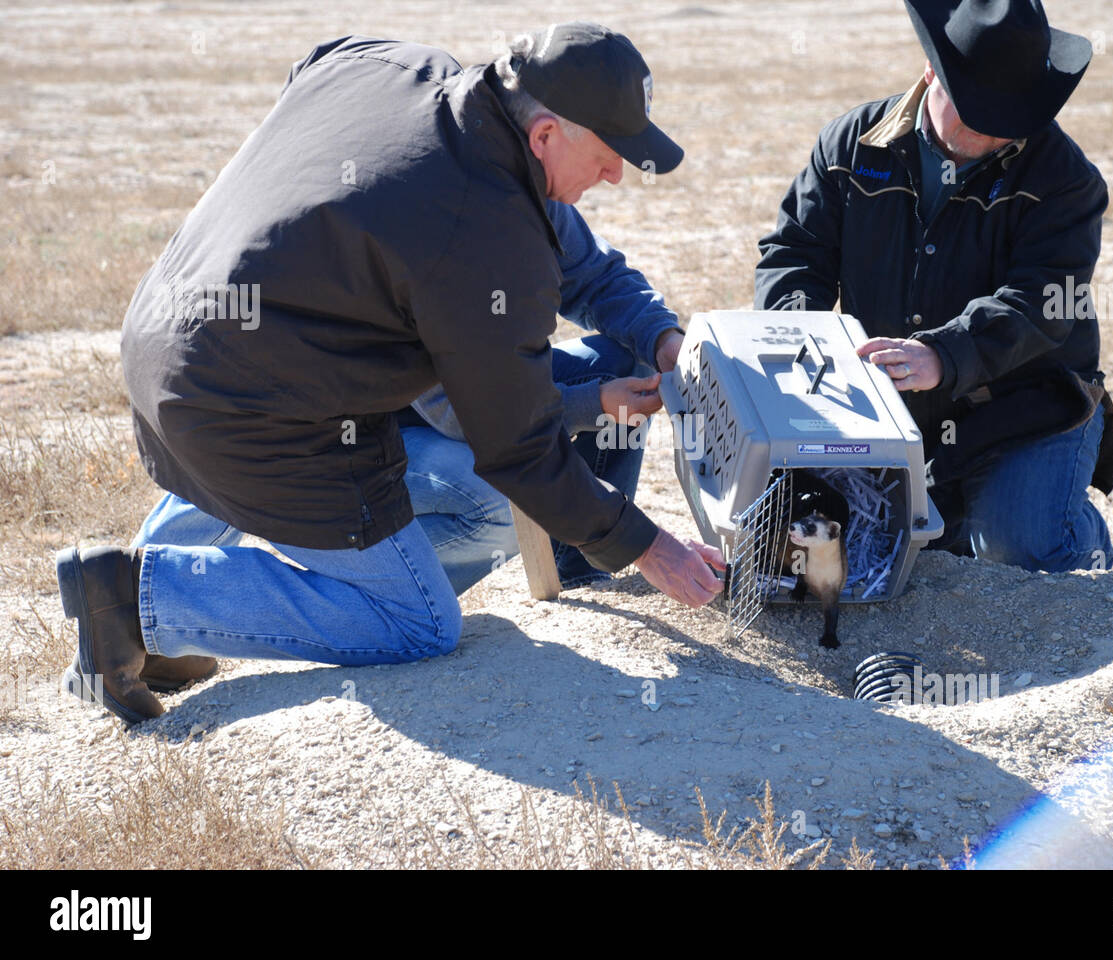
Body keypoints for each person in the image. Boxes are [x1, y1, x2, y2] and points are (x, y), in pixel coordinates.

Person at [56, 23, 722, 726]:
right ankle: (137, 603)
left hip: (163, 337)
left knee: (267, 380)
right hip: (249, 410)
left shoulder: (396, 68)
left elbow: (318, 64)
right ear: (547, 135)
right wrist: (649, 546)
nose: (619, 173)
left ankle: (157, 615)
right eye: (610, 154)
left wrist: (664, 339)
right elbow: (516, 446)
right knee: (419, 621)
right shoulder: (485, 238)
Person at [754, 0, 1113, 574]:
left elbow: (1044, 303)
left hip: (1026, 406)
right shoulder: (852, 145)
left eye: (1009, 120)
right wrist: (801, 335)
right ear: (931, 73)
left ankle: (1076, 528)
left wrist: (943, 354)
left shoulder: (1067, 181)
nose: (989, 135)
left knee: (1018, 552)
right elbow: (795, 252)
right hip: (892, 408)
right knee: (838, 541)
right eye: (975, 113)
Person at [399, 195, 685, 593]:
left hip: (491, 390)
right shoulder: (420, 225)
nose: (615, 178)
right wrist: (593, 403)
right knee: (497, 503)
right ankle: (381, 585)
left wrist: (662, 339)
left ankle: (583, 566)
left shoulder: (528, 184)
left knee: (625, 358)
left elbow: (598, 278)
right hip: (390, 426)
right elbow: (461, 412)